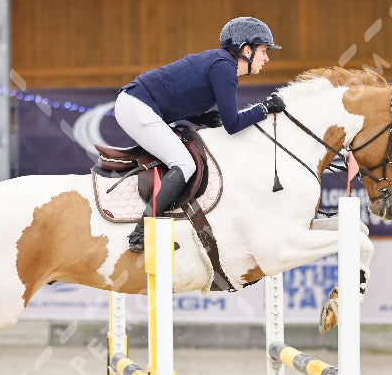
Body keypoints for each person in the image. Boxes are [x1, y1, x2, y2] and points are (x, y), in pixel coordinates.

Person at [115, 16, 286, 252]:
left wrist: (200, 118)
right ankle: (141, 233)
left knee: (182, 160)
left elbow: (180, 94)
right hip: (137, 106)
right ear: (246, 50)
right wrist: (264, 108)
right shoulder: (225, 67)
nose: (267, 58)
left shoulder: (221, 63)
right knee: (184, 163)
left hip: (138, 104)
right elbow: (233, 125)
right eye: (264, 51)